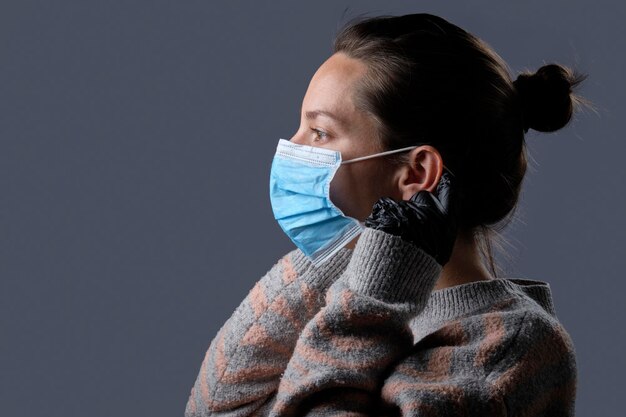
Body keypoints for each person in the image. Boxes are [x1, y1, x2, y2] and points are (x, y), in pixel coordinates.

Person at [185, 12, 589, 416]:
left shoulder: (510, 347)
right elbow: (217, 406)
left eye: (320, 132)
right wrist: (348, 251)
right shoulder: (350, 294)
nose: (292, 147)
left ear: (415, 172)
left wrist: (371, 297)